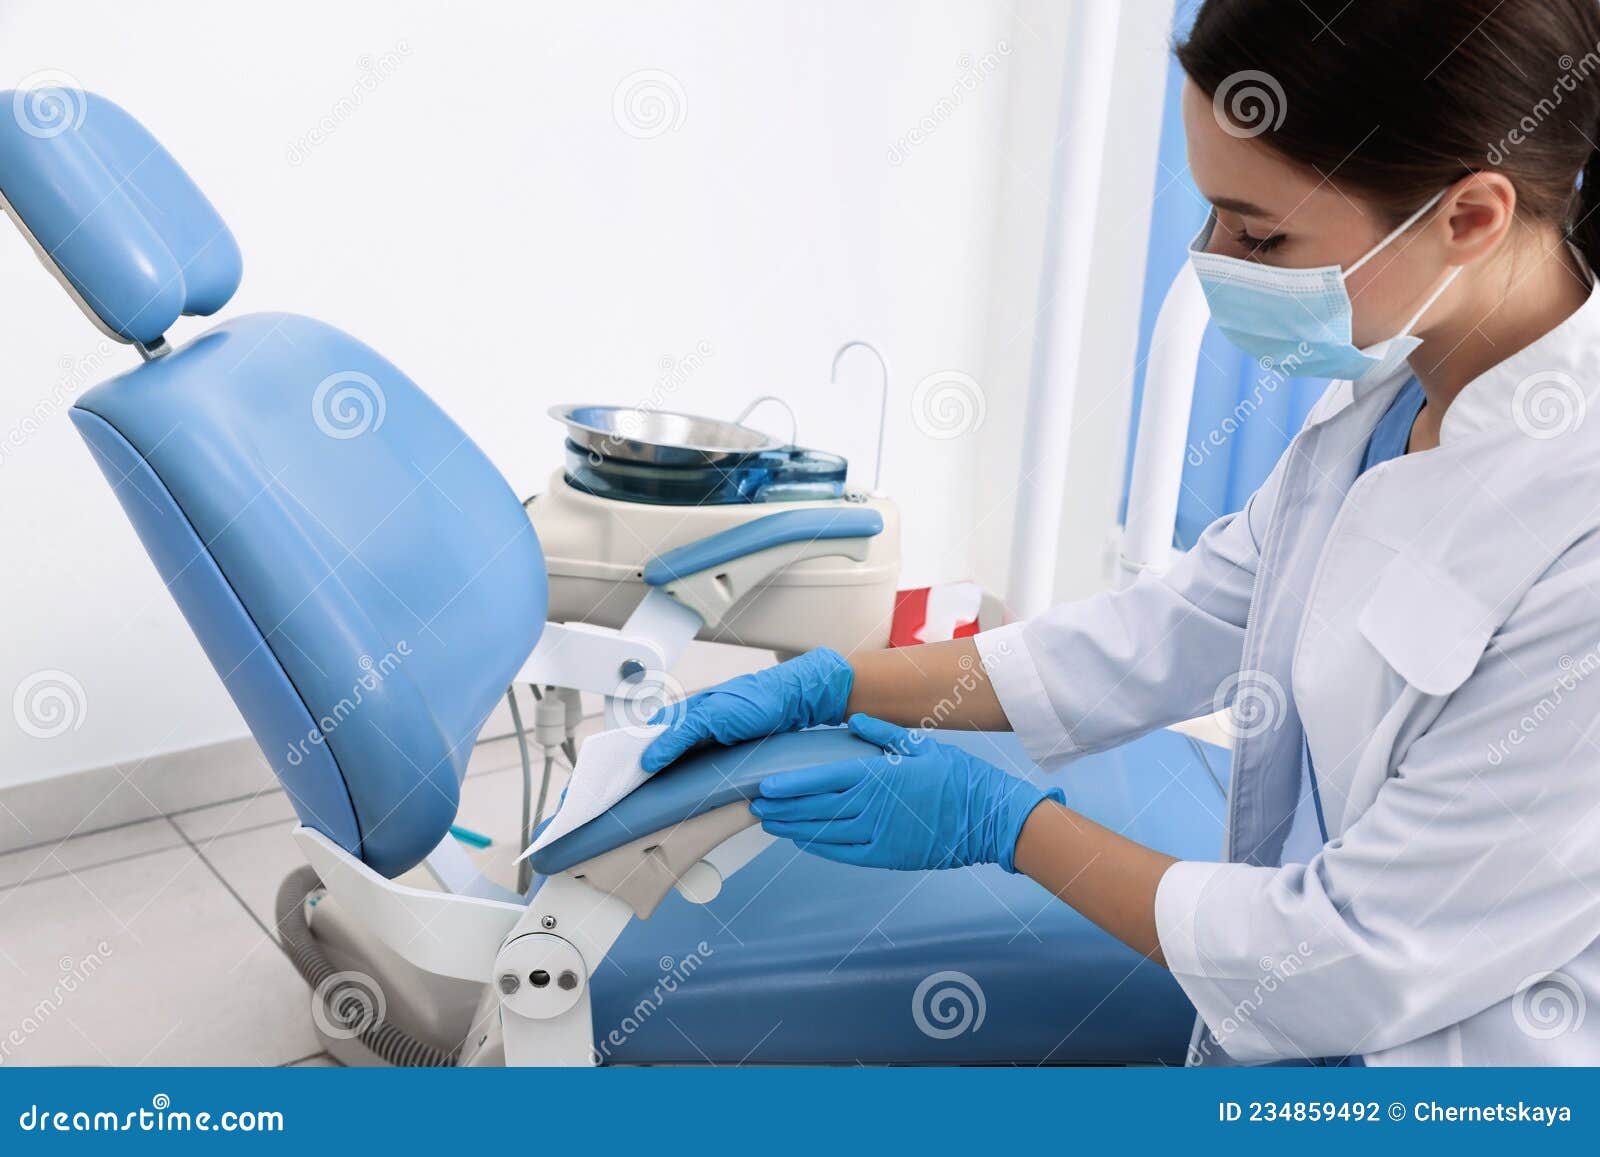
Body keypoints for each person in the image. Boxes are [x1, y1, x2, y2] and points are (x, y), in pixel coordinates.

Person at [645, 0, 1600, 1066]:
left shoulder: (1580, 530)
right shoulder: (1381, 399)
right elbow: (1169, 625)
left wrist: (1009, 828)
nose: (1209, 258)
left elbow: (1357, 956)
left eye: (1257, 231)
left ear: (1468, 217)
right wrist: (835, 682)